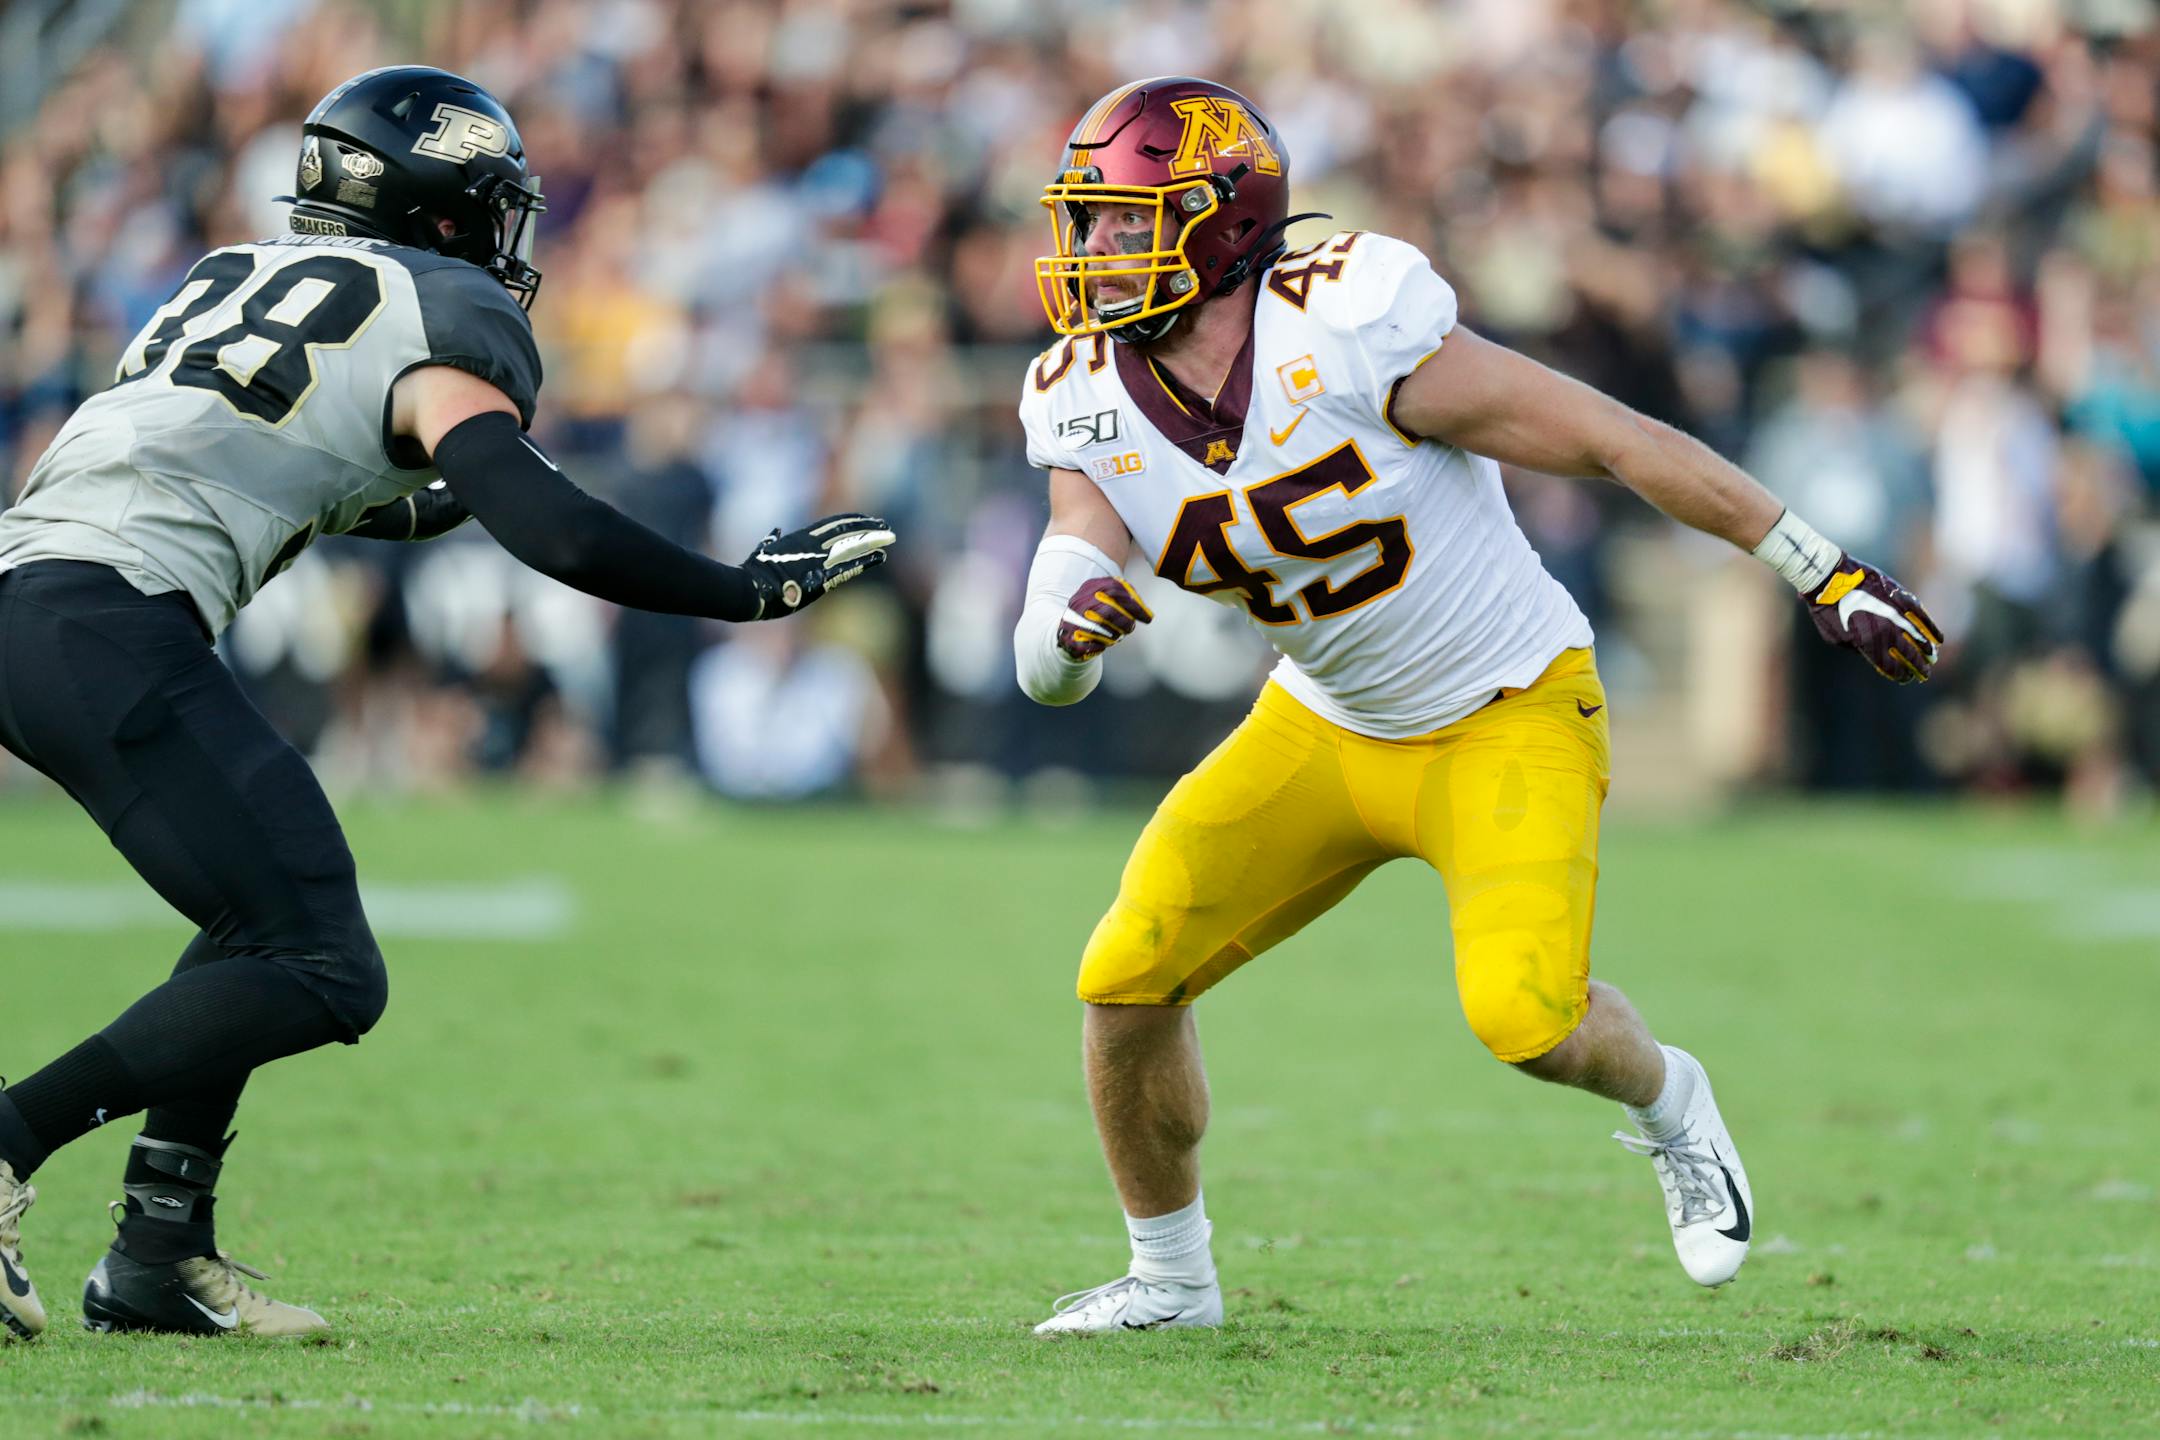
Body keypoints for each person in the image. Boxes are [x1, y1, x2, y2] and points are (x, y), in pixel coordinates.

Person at [1012, 76, 1939, 1333]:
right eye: (1092, 225)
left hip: (1506, 702)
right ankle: (1172, 1281)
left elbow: (1609, 434)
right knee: (1124, 980)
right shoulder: (1083, 387)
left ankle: (1670, 1098)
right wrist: (1056, 635)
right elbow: (1072, 559)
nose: (1097, 253)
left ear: (1226, 223)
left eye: (1131, 222)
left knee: (1525, 1018)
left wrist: (1815, 566)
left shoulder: (1347, 323)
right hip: (1327, 722)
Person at [0, 66, 892, 1341]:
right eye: (491, 206)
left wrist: (472, 492)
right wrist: (741, 593)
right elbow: (555, 529)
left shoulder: (229, 274)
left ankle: (157, 1254)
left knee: (265, 910)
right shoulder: (442, 302)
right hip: (108, 616)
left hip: (36, 597)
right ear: (443, 209)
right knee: (319, 961)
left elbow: (371, 484)